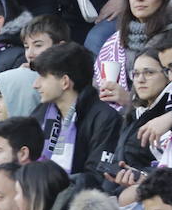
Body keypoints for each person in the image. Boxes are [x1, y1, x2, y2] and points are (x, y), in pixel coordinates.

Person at [30, 44, 124, 190]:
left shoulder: (105, 118)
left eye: (43, 77)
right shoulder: (42, 113)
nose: (35, 84)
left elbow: (96, 177)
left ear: (65, 82)